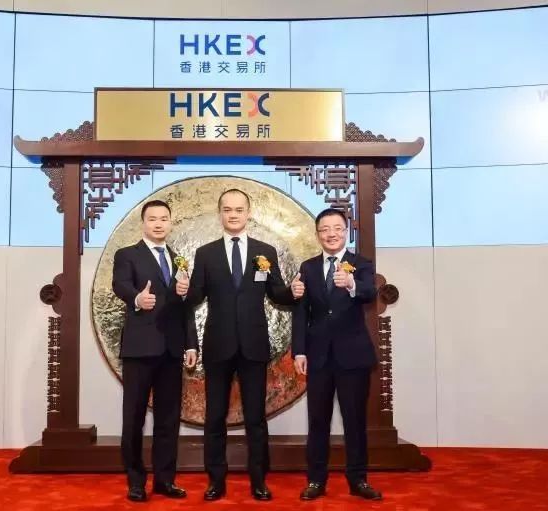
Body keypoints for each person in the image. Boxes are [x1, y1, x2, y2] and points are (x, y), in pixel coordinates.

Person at [185, 189, 305, 501]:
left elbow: (276, 293)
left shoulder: (265, 251)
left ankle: (259, 480)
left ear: (248, 213)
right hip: (217, 345)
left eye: (239, 209)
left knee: (255, 418)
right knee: (215, 417)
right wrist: (183, 290)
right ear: (220, 214)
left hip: (253, 345)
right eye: (227, 210)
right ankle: (216, 480)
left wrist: (292, 291)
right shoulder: (206, 253)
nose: (233, 215)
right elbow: (196, 296)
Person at [291, 208, 382, 501]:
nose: (331, 234)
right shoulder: (307, 267)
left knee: (354, 421)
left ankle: (358, 479)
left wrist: (352, 284)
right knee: (318, 421)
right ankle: (316, 480)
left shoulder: (361, 263)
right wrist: (299, 350)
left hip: (352, 357)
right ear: (318, 234)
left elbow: (369, 292)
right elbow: (301, 313)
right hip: (318, 357)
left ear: (346, 232)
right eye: (325, 229)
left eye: (337, 228)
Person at [111, 199, 199, 502]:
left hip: (172, 351)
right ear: (143, 223)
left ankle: (165, 480)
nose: (158, 224)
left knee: (168, 420)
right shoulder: (127, 255)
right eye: (152, 219)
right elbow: (120, 284)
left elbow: (185, 306)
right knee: (133, 418)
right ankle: (135, 481)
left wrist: (191, 343)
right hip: (139, 349)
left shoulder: (179, 260)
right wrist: (137, 299)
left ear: (171, 223)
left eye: (164, 219)